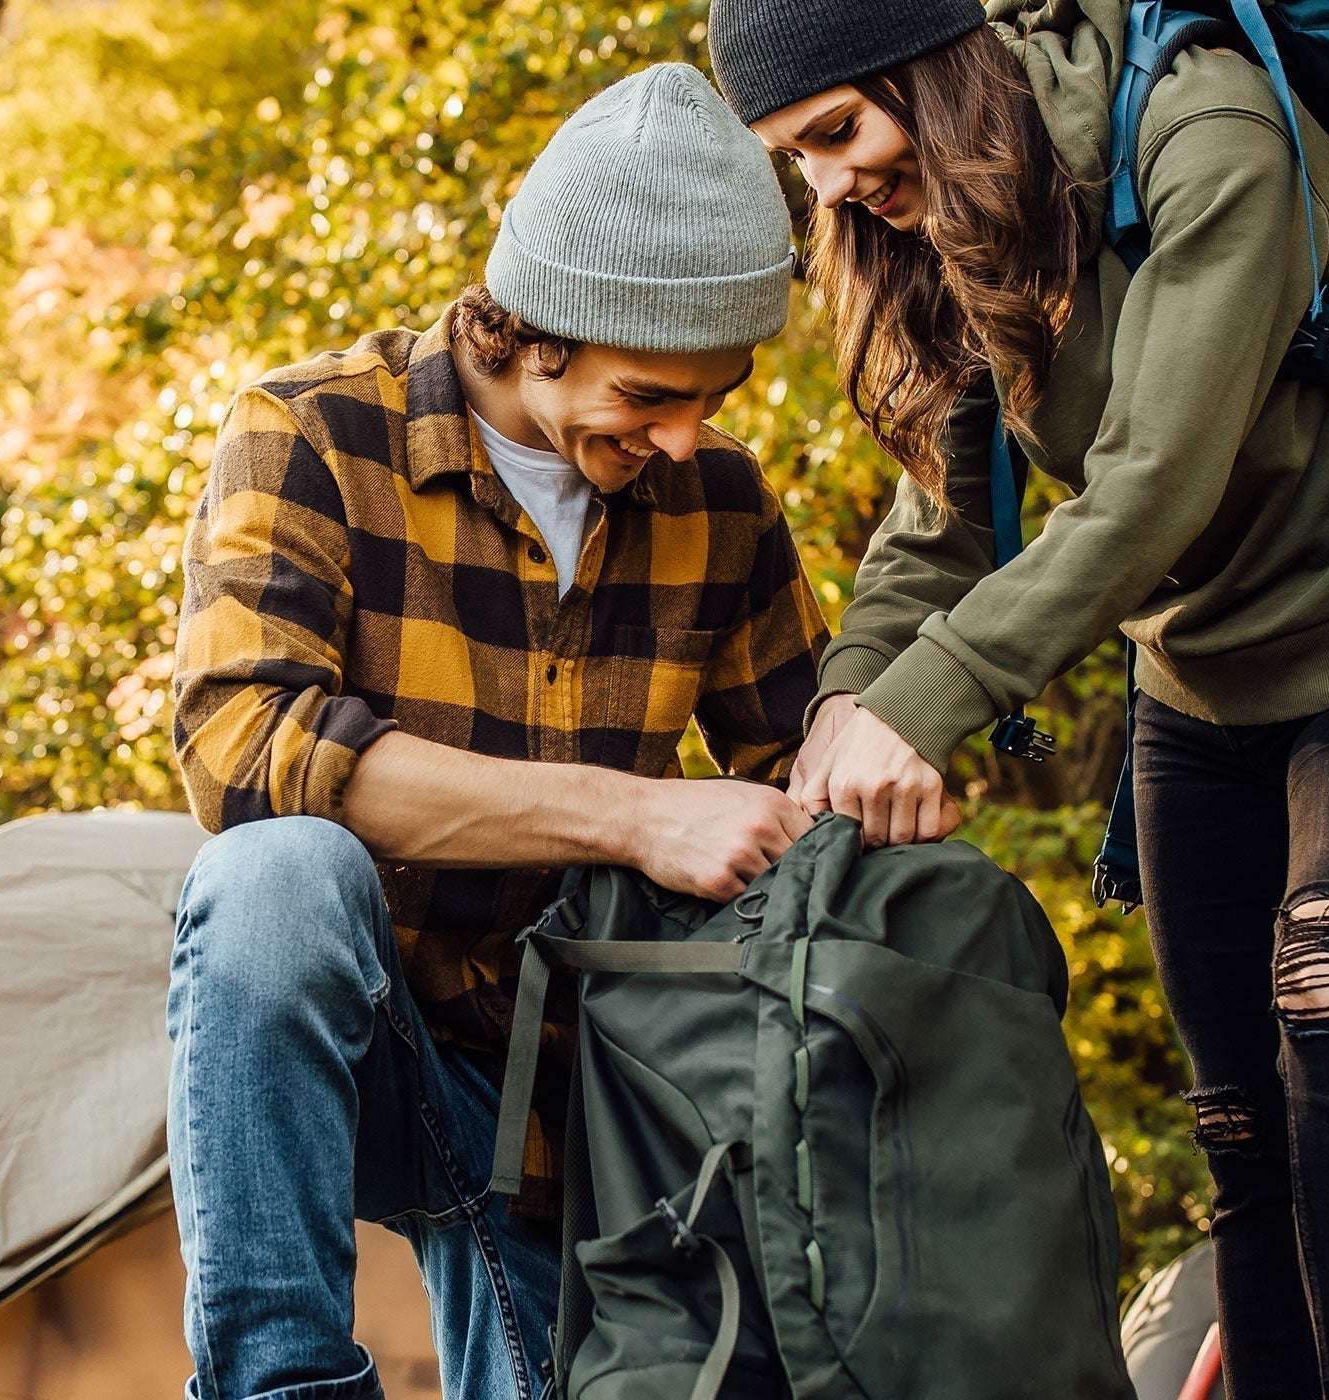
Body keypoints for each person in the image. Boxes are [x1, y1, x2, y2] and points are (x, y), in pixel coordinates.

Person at [706, 3, 1329, 1397]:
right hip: (1198, 681)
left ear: (929, 68)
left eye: (837, 131)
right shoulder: (964, 209)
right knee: (1239, 1116)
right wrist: (849, 703)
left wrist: (937, 698)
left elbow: (1154, 483)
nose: (828, 187)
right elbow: (943, 522)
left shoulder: (1210, 138)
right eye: (798, 158)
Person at [163, 63, 827, 1400]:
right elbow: (243, 745)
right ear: (535, 329)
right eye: (649, 396)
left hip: (574, 1101)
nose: (684, 440)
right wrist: (635, 815)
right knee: (276, 874)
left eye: (715, 397)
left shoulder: (723, 503)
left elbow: (803, 766)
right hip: (351, 1050)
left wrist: (881, 740)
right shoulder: (312, 435)